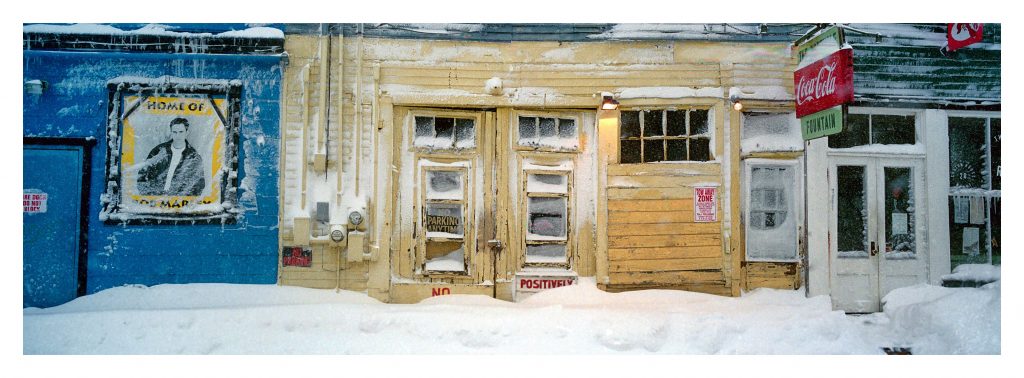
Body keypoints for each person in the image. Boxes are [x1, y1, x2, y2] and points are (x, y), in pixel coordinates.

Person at [136, 117, 205, 196]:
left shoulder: (193, 157)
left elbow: (198, 186)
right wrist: (149, 196)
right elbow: (142, 175)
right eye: (174, 132)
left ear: (187, 132)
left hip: (179, 203)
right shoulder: (159, 150)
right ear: (171, 132)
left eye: (181, 132)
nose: (177, 135)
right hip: (154, 201)